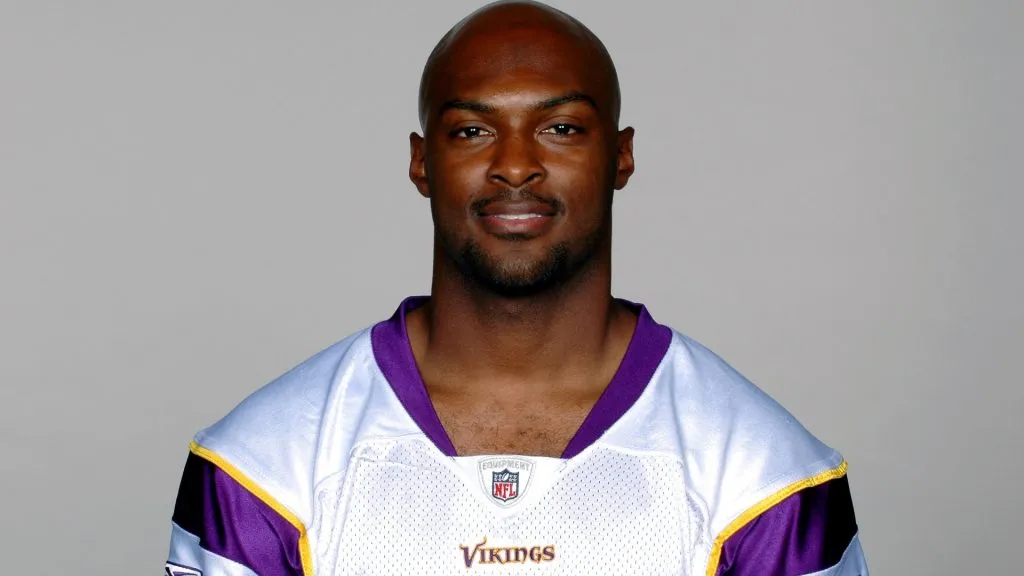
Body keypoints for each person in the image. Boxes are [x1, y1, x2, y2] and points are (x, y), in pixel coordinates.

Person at [164, 1, 869, 575]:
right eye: (472, 130)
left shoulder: (764, 478)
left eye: (561, 127)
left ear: (620, 156)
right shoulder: (263, 467)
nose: (515, 165)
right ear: (421, 162)